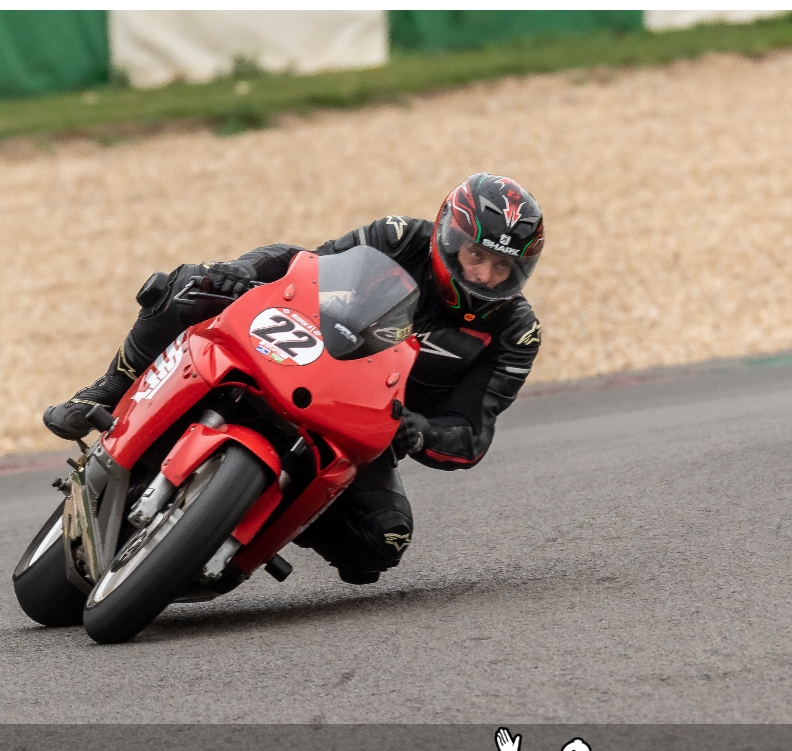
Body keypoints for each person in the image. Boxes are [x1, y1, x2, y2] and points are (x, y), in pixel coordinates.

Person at [44, 173, 545, 586]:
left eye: (501, 266)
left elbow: (470, 433)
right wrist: (241, 274)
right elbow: (310, 269)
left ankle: (260, 519)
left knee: (381, 543)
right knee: (191, 285)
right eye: (477, 256)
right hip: (301, 354)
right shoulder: (398, 238)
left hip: (363, 426)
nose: (483, 276)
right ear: (449, 239)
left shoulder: (515, 333)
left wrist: (420, 432)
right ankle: (109, 387)